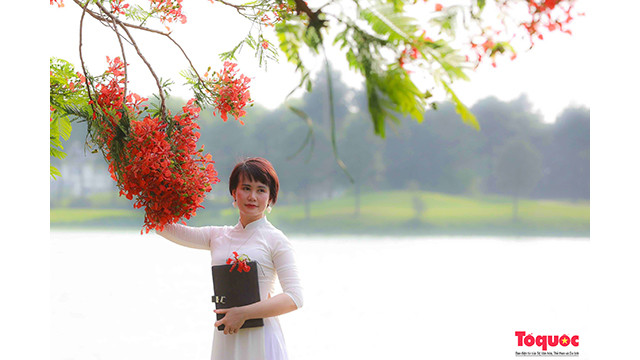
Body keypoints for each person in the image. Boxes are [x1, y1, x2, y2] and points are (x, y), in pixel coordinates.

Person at [156, 157, 303, 360]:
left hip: (261, 338)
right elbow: (163, 226)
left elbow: (295, 298)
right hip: (227, 336)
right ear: (234, 193)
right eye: (246, 188)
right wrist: (153, 181)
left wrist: (243, 314)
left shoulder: (276, 240)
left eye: (261, 190)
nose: (252, 196)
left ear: (270, 198)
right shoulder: (217, 236)